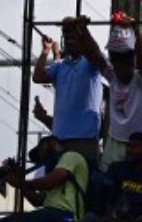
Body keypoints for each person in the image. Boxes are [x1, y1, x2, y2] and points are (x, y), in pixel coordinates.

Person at [34, 17, 108, 167]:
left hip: (85, 139)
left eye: (73, 35)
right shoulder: (60, 66)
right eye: (66, 35)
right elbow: (38, 77)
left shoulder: (90, 64)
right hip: (59, 139)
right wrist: (45, 51)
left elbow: (95, 53)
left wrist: (83, 30)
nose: (69, 40)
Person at [101, 22, 142, 168]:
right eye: (116, 64)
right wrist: (82, 30)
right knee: (109, 180)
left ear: (131, 63)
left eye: (122, 64)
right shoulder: (112, 76)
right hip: (115, 140)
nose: (119, 70)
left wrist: (135, 30)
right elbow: (95, 56)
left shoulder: (141, 79)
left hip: (139, 144)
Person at [102, 132, 142, 220]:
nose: (129, 150)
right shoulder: (117, 169)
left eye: (135, 146)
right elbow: (108, 200)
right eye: (128, 146)